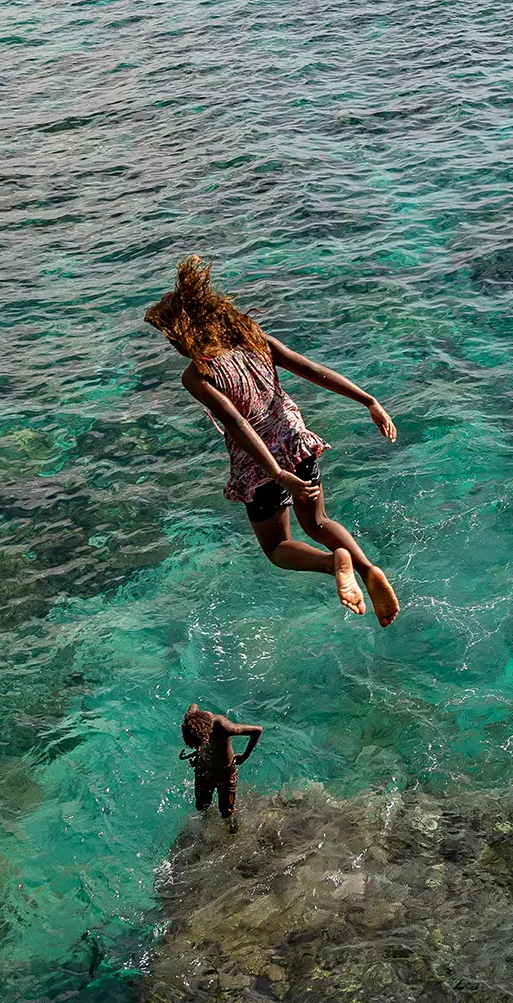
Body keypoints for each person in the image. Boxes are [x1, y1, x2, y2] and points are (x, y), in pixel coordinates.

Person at [145, 255, 401, 626]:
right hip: (297, 439)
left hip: (263, 464)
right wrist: (368, 400)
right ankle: (365, 568)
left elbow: (236, 424)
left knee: (277, 547)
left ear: (183, 334)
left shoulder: (197, 375)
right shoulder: (254, 339)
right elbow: (311, 369)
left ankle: (334, 563)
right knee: (317, 523)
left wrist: (279, 475)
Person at [180, 704, 261, 830]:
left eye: (200, 745)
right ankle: (205, 827)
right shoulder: (191, 719)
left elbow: (257, 730)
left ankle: (232, 832)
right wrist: (197, 754)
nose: (198, 748)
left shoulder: (225, 727)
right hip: (203, 767)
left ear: (208, 733)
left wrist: (244, 756)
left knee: (226, 812)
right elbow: (194, 705)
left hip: (224, 772)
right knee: (201, 805)